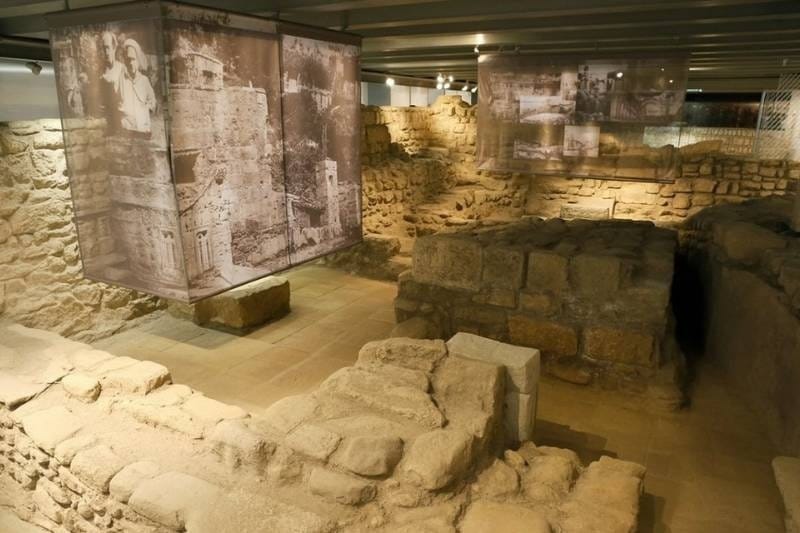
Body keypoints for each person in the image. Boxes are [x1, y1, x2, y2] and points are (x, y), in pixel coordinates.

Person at [117, 38, 156, 135]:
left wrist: (145, 110)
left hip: (143, 130)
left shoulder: (144, 81)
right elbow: (117, 103)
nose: (130, 63)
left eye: (133, 59)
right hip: (127, 130)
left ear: (138, 60)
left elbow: (153, 102)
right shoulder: (121, 80)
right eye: (128, 59)